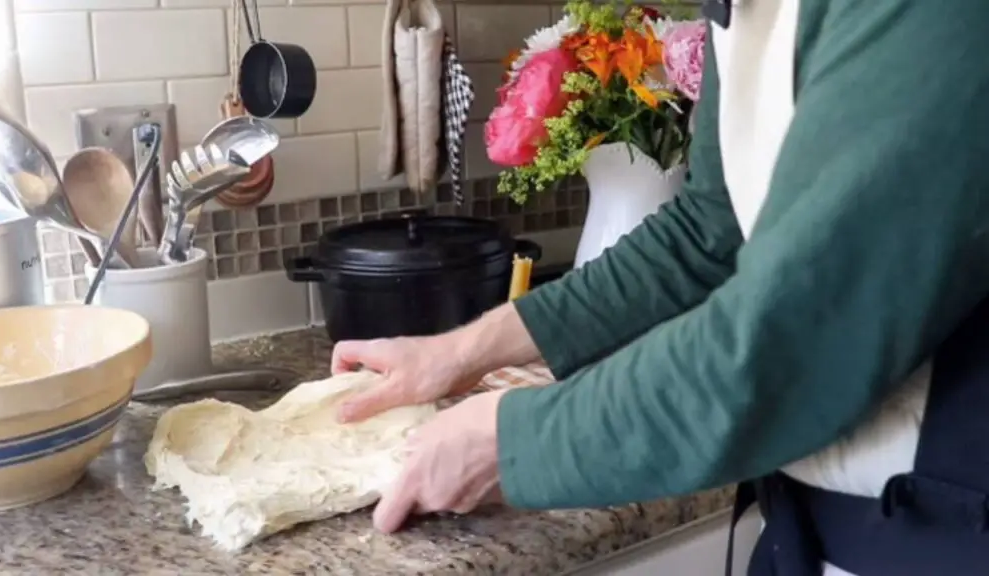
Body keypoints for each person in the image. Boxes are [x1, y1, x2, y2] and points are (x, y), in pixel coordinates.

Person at [332, 1, 989, 574]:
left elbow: (797, 341)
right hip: (817, 526)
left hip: (949, 534)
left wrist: (512, 443)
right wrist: (461, 351)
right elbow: (706, 232)